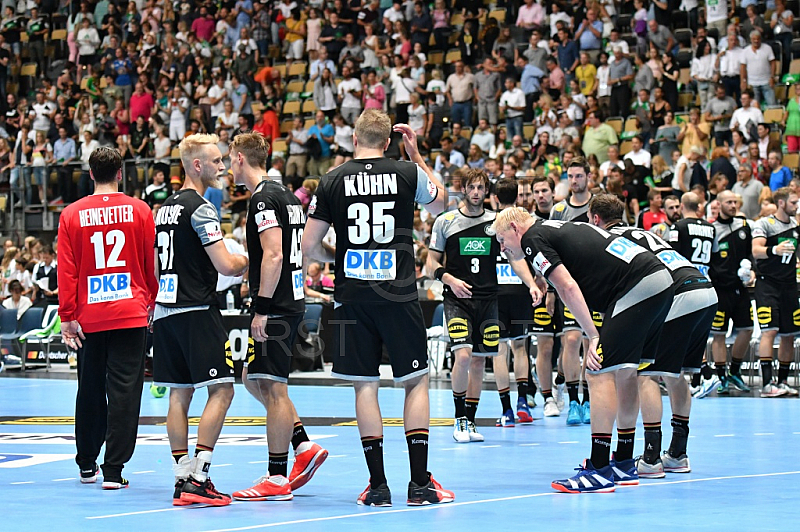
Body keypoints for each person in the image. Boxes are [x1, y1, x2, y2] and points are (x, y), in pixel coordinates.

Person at [301, 111, 453, 506]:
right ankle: (420, 484)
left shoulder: (332, 179)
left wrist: (339, 254)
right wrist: (416, 154)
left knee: (364, 386)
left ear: (355, 137)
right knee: (415, 381)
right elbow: (442, 205)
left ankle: (378, 486)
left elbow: (309, 246)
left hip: (352, 295)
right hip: (398, 293)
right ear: (388, 142)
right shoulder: (405, 171)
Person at [492, 205, 674, 493]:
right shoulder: (556, 227)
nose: (502, 249)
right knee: (626, 372)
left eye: (502, 240)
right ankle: (624, 463)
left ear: (515, 228)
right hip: (660, 281)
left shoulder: (532, 238)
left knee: (598, 370)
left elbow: (567, 288)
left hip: (637, 285)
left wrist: (593, 335)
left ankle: (600, 469)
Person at [226, 133, 328, 501]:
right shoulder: (285, 194)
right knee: (252, 377)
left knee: (273, 385)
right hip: (291, 297)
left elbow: (274, 255)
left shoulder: (263, 198)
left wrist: (262, 307)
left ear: (240, 158)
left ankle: (277, 475)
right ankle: (303, 445)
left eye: (229, 158)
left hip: (278, 303)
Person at [587, 195, 716, 481]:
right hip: (705, 290)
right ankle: (678, 454)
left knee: (646, 374)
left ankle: (650, 457)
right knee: (674, 374)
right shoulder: (644, 233)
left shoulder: (608, 241)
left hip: (677, 294)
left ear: (595, 219)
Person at [153, 134, 249, 506]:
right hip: (195, 308)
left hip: (165, 310)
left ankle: (181, 477)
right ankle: (199, 475)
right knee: (222, 389)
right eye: (216, 161)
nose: (223, 167)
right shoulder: (202, 208)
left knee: (179, 393)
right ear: (197, 165)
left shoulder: (163, 208)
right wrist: (247, 261)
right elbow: (225, 263)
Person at [58, 146, 158, 489]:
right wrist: (150, 300)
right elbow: (150, 262)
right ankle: (113, 471)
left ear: (90, 174)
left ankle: (87, 464)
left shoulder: (71, 214)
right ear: (120, 173)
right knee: (126, 391)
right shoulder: (141, 210)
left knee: (89, 389)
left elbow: (67, 271)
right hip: (130, 312)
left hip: (89, 317)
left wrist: (67, 315)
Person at [427, 169, 506, 436]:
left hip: (488, 299)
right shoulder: (446, 221)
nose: (475, 192)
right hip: (457, 299)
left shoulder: (496, 222)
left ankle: (470, 420)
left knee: (478, 362)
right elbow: (430, 264)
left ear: (487, 192)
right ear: (463, 190)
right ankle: (459, 418)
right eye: (471, 187)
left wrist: (533, 282)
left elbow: (515, 257)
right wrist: (449, 279)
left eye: (480, 188)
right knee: (462, 355)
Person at [549, 158, 596, 424]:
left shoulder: (597, 207)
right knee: (570, 340)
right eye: (571, 176)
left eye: (579, 176)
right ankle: (573, 400)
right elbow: (551, 250)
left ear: (589, 177)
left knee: (592, 341)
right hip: (569, 285)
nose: (575, 181)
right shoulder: (559, 211)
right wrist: (551, 290)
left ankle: (588, 398)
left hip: (595, 285)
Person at [492, 178, 537, 423]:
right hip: (520, 289)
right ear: (518, 197)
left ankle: (506, 409)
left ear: (495, 198)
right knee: (520, 347)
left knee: (499, 351)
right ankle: (523, 401)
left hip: (496, 292)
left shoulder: (489, 223)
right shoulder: (525, 221)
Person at [751, 187, 800, 397]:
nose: (796, 206)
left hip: (789, 285)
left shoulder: (796, 226)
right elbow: (756, 251)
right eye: (793, 202)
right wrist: (774, 250)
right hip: (768, 284)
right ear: (781, 203)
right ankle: (767, 383)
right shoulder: (765, 224)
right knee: (769, 331)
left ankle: (783, 381)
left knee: (789, 335)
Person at [707, 190, 754, 396]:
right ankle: (721, 376)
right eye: (729, 202)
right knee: (719, 334)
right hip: (720, 289)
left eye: (735, 202)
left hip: (740, 288)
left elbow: (750, 253)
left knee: (747, 329)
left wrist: (751, 270)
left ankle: (735, 370)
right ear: (719, 204)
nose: (733, 205)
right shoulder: (712, 229)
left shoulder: (743, 226)